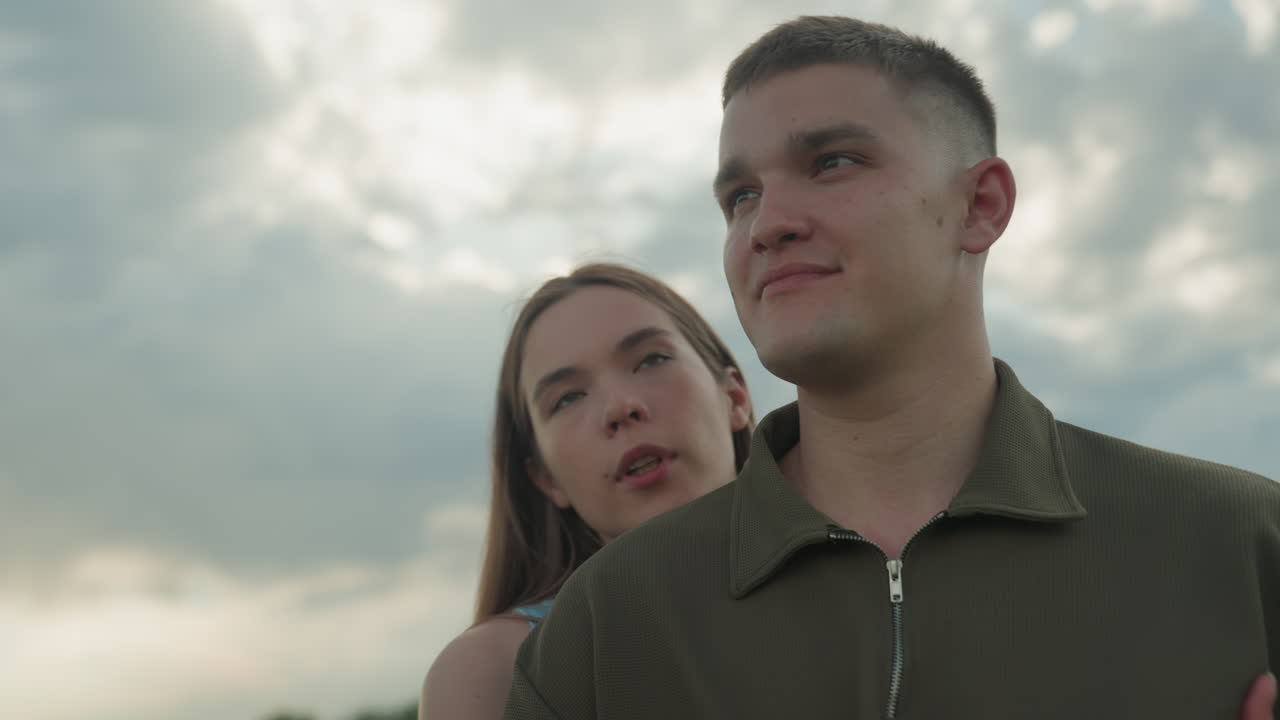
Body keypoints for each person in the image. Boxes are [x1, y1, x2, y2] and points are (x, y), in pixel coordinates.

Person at [504, 16, 1279, 720]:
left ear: (981, 205)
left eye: (831, 161)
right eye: (740, 196)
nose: (768, 224)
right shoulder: (605, 631)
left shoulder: (1241, 546)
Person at [419, 263, 754, 720]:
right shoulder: (497, 673)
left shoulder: (871, 586)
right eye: (567, 398)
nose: (619, 408)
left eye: (650, 360)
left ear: (734, 396)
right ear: (546, 478)